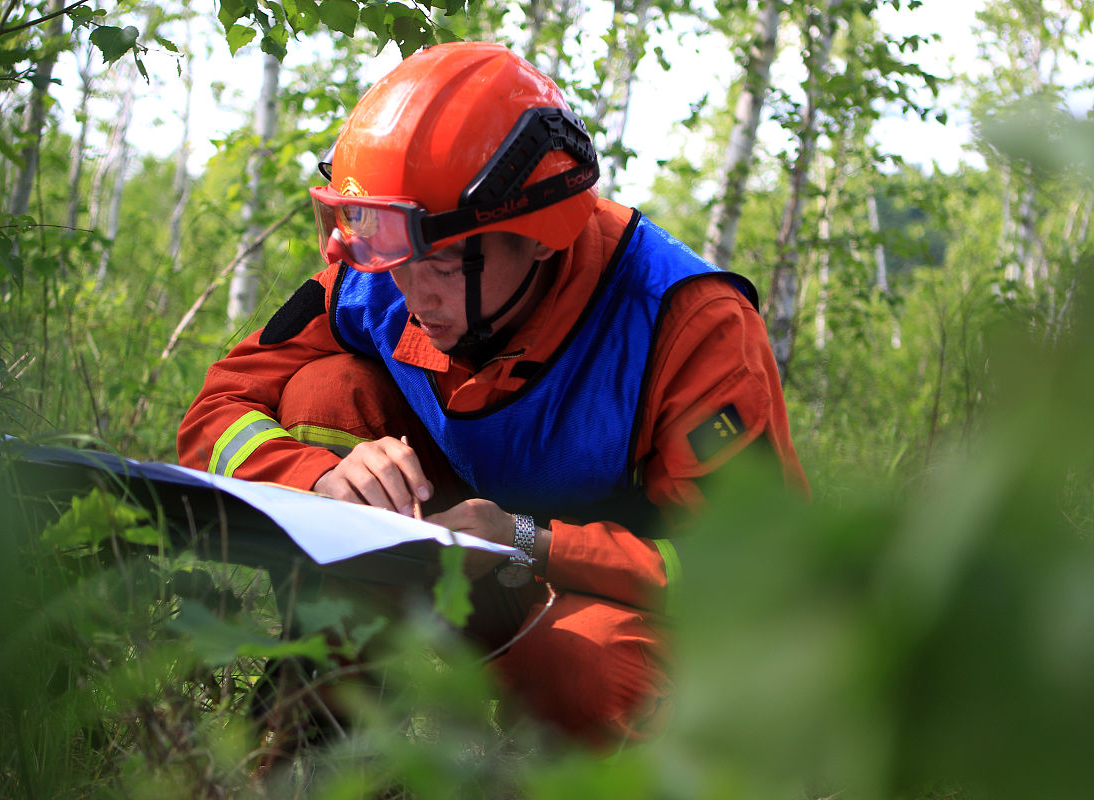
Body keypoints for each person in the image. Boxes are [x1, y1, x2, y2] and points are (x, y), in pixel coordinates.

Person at [178, 41, 808, 751]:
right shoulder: (383, 278)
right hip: (475, 562)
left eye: (441, 263)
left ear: (539, 236)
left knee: (576, 668)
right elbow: (216, 413)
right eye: (389, 251)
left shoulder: (687, 324)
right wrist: (321, 477)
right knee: (328, 392)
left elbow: (759, 575)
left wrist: (529, 541)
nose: (411, 292)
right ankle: (303, 748)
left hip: (634, 608)